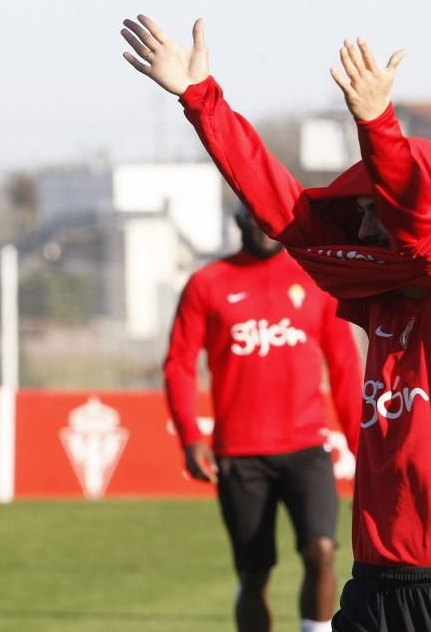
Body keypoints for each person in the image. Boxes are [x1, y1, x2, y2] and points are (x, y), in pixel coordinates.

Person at [123, 14, 431, 632]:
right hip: (371, 587)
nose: (359, 227)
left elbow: (426, 241)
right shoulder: (378, 301)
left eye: (372, 210)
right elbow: (288, 213)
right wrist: (203, 101)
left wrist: (377, 126)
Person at [163, 205, 363, 632]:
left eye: (269, 217)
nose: (261, 225)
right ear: (236, 221)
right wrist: (190, 436)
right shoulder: (206, 284)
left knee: (322, 550)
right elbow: (179, 364)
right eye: (251, 216)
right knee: (254, 575)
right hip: (240, 453)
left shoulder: (314, 279)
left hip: (307, 447)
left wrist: (364, 444)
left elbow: (344, 364)